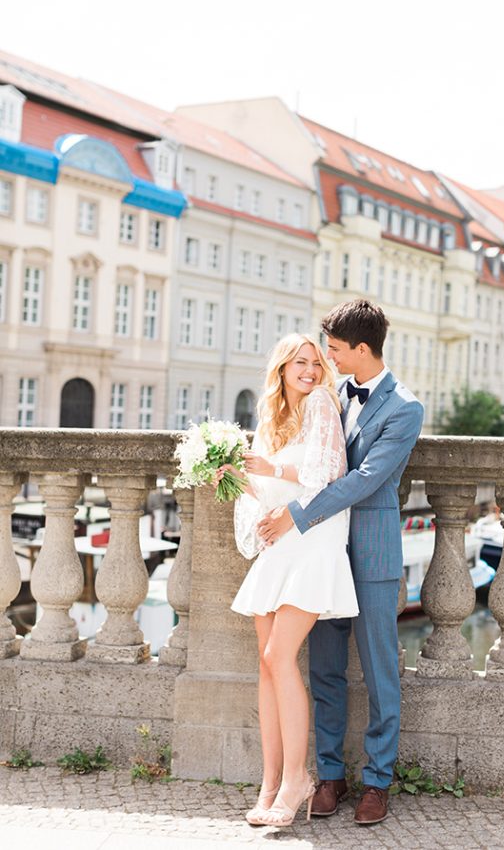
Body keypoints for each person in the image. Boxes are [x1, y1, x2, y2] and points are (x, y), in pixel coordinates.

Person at [258, 299, 424, 826]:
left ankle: (377, 781)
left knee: (379, 671)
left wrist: (296, 516)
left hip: (371, 554)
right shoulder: (327, 395)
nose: (324, 357)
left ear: (361, 349)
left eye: (331, 348)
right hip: (322, 554)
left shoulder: (404, 408)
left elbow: (363, 479)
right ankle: (328, 776)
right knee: (325, 669)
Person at [218, 333, 359, 828]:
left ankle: (298, 778)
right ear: (280, 369)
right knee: (266, 664)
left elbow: (326, 474)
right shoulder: (272, 419)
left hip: (313, 539)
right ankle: (270, 782)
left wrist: (272, 467)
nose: (310, 371)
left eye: (315, 363)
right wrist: (238, 479)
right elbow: (268, 489)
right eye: (300, 363)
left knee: (280, 655)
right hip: (281, 544)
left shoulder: (322, 403)